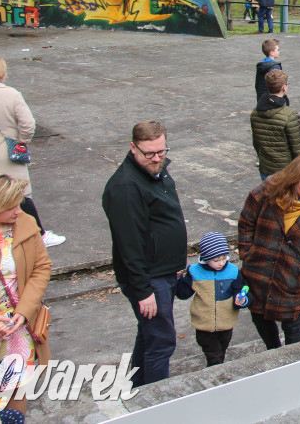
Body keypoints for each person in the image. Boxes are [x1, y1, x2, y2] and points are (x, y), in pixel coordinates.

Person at [101, 120, 187, 386]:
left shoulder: (157, 170)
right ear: (133, 148)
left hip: (162, 270)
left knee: (149, 334)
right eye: (149, 153)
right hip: (149, 279)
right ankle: (156, 400)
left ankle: (136, 387)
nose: (156, 158)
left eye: (161, 151)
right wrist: (143, 290)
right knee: (161, 342)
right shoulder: (126, 187)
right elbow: (129, 245)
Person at [238, 154, 300, 349]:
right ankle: (273, 350)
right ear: (294, 180)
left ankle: (294, 363)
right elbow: (246, 222)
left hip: (293, 276)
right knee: (259, 315)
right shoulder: (266, 193)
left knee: (292, 325)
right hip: (259, 271)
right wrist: (247, 255)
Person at [0, 173, 52, 417]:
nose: (17, 211)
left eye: (19, 203)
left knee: (19, 390)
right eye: (10, 207)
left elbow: (41, 267)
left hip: (20, 329)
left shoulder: (26, 224)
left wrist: (24, 311)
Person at [0, 57, 63, 247]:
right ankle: (39, 235)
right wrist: (22, 141)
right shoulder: (12, 94)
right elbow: (28, 124)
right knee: (21, 196)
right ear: (3, 73)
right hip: (7, 155)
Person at [175, 232, 250, 367]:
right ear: (205, 257)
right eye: (216, 260)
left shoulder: (233, 271)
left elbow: (240, 289)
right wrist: (177, 279)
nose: (221, 263)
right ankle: (216, 372)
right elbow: (183, 293)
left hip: (226, 322)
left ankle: (217, 368)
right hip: (204, 324)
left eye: (224, 258)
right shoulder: (195, 271)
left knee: (221, 350)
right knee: (213, 354)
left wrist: (241, 300)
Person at [250, 69, 300, 180]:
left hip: (265, 167)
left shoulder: (255, 113)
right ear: (284, 88)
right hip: (285, 169)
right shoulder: (290, 115)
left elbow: (256, 143)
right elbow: (297, 147)